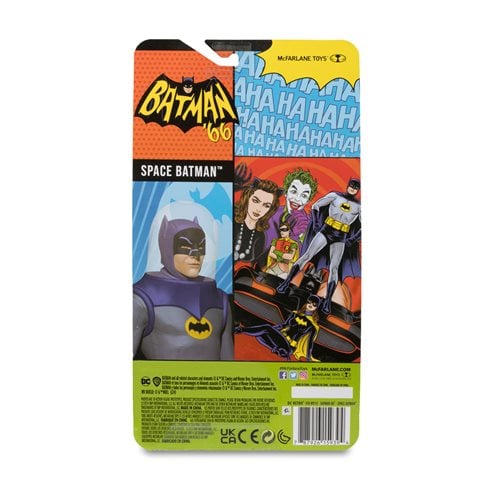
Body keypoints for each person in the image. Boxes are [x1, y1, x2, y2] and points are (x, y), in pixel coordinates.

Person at [133, 216, 233, 360]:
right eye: (185, 247)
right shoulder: (141, 298)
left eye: (201, 247)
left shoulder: (219, 300)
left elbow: (229, 365)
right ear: (167, 248)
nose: (196, 255)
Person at [277, 178, 361, 314]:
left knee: (334, 268)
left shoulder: (359, 206)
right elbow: (316, 206)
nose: (353, 188)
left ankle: (327, 301)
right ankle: (285, 283)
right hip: (326, 230)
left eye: (356, 187)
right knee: (307, 256)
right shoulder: (335, 196)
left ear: (358, 190)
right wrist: (316, 224)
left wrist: (353, 239)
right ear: (348, 185)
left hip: (341, 237)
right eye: (352, 185)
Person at [235, 295, 321, 362]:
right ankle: (278, 350)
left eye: (314, 304)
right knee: (259, 335)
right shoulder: (295, 314)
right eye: (309, 302)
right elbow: (283, 325)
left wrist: (308, 359)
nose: (311, 305)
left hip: (289, 346)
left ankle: (240, 330)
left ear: (316, 307)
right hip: (281, 338)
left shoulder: (312, 326)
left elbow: (310, 344)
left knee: (265, 328)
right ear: (306, 303)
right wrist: (272, 330)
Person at [265, 167, 318, 249]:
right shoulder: (271, 215)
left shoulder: (309, 224)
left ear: (307, 201)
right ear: (286, 192)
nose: (297, 199)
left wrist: (299, 236)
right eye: (294, 192)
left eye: (304, 196)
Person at [233, 178, 281, 263]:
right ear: (247, 198)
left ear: (270, 209)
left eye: (266, 206)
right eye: (255, 201)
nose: (259, 209)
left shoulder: (260, 236)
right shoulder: (230, 217)